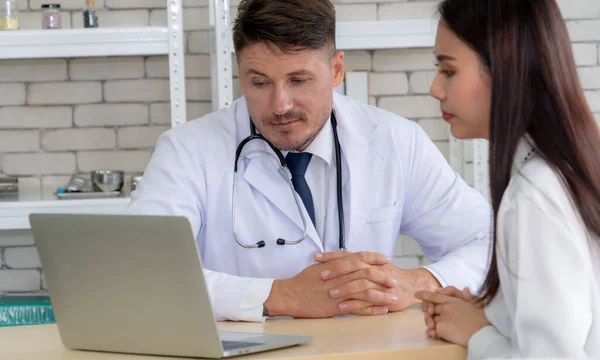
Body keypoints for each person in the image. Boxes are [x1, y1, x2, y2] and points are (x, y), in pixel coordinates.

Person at [126, 0, 492, 322]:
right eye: (259, 83)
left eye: (299, 80)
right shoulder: (187, 151)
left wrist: (417, 283)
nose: (280, 105)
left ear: (336, 70)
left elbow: (488, 241)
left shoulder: (396, 142)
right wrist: (279, 296)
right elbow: (139, 270)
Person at [415, 0, 600, 360]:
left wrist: (476, 334)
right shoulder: (566, 170)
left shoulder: (534, 196)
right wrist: (493, 314)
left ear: (505, 69)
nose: (435, 89)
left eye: (448, 70)